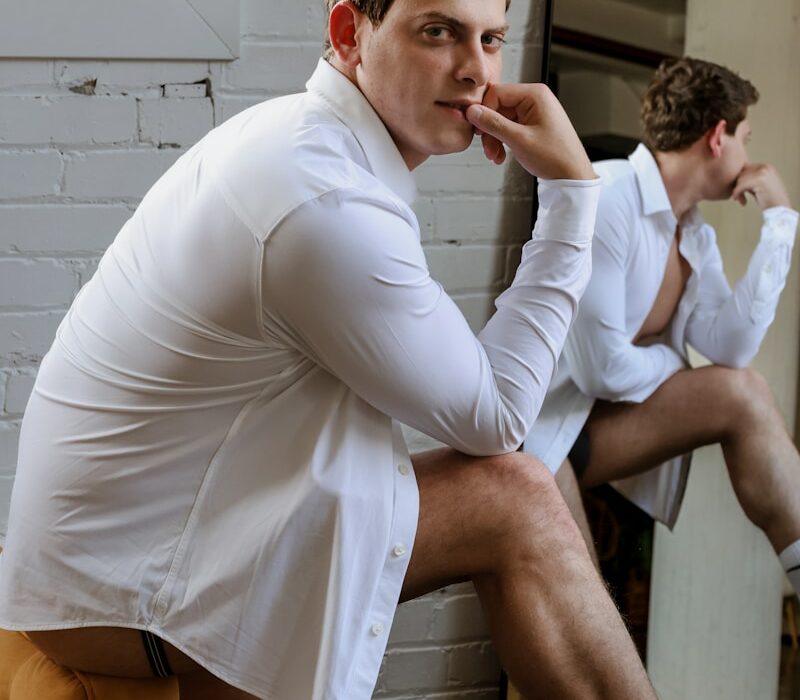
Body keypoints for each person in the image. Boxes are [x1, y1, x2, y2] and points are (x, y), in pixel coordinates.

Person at [0, 1, 657, 698]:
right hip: (121, 599)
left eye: (490, 40)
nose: (475, 71)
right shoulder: (324, 199)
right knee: (519, 494)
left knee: (526, 482)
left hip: (113, 559)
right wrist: (572, 194)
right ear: (349, 34)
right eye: (438, 31)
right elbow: (498, 414)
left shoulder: (305, 142)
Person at [524, 56, 800, 603]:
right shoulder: (609, 197)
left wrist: (780, 226)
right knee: (583, 615)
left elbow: (730, 348)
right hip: (543, 428)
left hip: (601, 426)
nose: (749, 154)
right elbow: (601, 368)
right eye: (745, 136)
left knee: (742, 391)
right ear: (718, 136)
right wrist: (675, 365)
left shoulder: (692, 232)